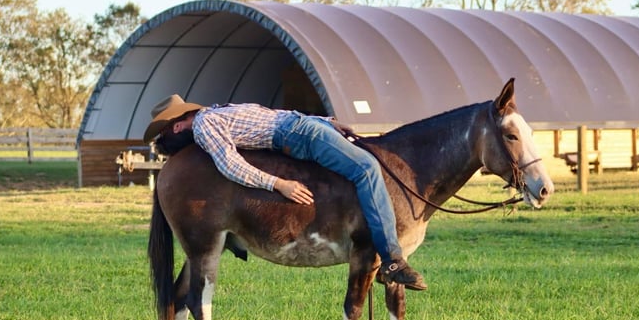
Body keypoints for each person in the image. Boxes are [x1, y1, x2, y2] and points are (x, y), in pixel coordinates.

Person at [143, 94, 427, 290]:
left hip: (302, 130)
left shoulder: (206, 121)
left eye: (166, 134)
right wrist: (279, 183)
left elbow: (245, 147)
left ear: (178, 123)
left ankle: (389, 256)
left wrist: (325, 123)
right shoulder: (213, 118)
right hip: (299, 131)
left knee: (366, 166)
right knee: (366, 168)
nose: (170, 138)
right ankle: (391, 259)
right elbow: (233, 164)